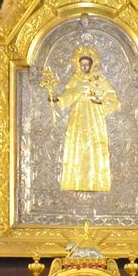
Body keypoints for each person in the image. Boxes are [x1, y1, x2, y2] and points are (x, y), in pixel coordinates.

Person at [52, 47, 120, 192]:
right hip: (78, 115)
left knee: (95, 144)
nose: (84, 67)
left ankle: (97, 182)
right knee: (77, 144)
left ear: (92, 64)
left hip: (94, 115)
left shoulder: (99, 79)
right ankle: (74, 182)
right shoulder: (75, 79)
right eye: (81, 64)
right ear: (78, 64)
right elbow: (69, 94)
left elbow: (113, 99)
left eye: (87, 64)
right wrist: (57, 98)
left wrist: (100, 101)